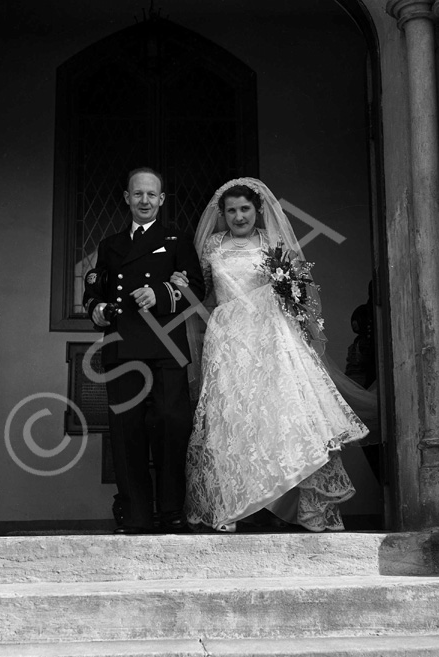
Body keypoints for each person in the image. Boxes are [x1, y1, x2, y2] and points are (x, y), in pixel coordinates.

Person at [176, 178, 375, 533]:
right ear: (222, 214)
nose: (239, 216)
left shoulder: (273, 242)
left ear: (257, 210)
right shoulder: (211, 245)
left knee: (286, 414)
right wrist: (183, 289)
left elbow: (300, 290)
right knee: (234, 418)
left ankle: (308, 509)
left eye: (245, 209)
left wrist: (290, 293)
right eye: (232, 210)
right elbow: (204, 294)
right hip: (229, 339)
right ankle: (235, 505)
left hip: (272, 337)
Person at [84, 168, 205, 534]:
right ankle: (136, 512)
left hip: (166, 347)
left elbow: (197, 287)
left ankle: (170, 510)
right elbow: (95, 289)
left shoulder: (177, 239)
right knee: (127, 430)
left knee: (173, 424)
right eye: (138, 194)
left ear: (162, 200)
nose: (145, 201)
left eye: (151, 195)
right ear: (126, 198)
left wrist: (162, 294)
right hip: (123, 349)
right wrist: (98, 309)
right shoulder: (110, 244)